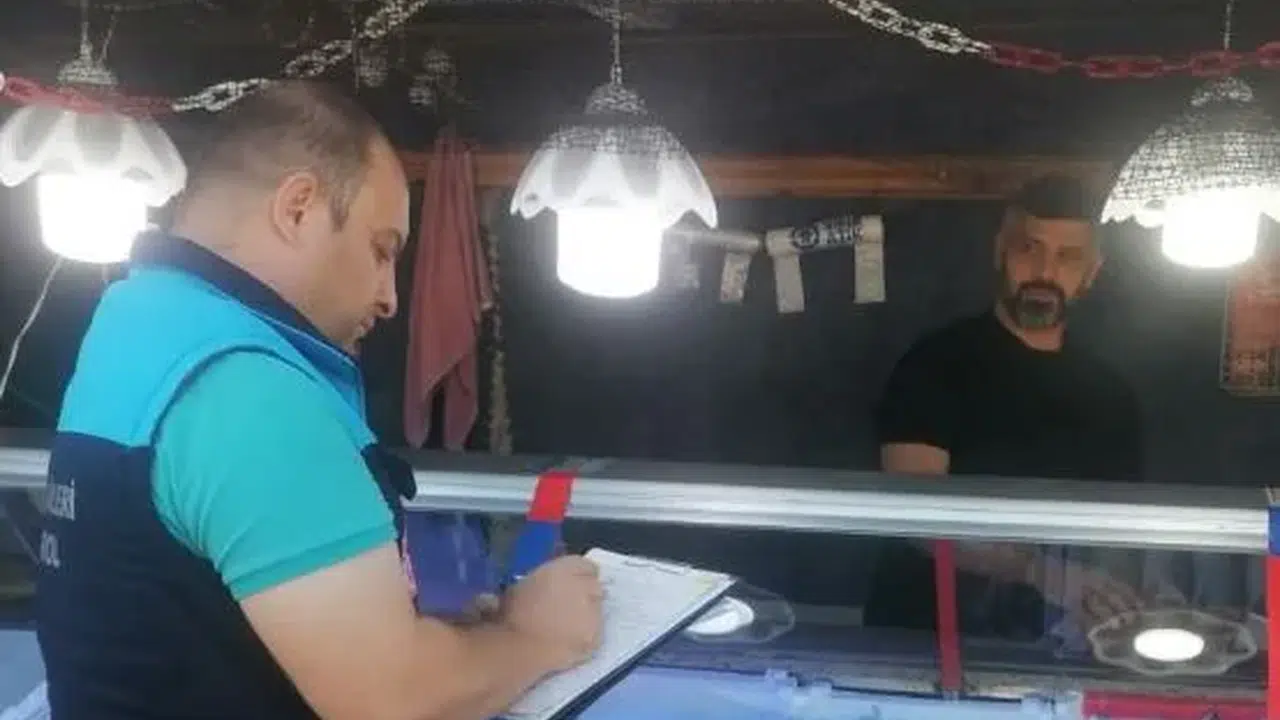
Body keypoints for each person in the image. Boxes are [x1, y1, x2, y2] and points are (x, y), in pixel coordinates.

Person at [37, 81, 603, 720]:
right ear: (299, 208)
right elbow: (392, 702)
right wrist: (534, 636)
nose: (390, 298)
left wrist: (454, 647)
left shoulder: (138, 324)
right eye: (381, 251)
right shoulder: (248, 392)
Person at [865, 174, 1145, 639]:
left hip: (1058, 644)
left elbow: (1123, 530)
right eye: (1028, 248)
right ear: (1000, 251)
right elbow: (916, 515)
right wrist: (1043, 572)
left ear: (1092, 272)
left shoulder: (1110, 393)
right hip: (925, 639)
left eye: (1068, 256)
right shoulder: (935, 363)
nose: (1044, 272)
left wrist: (1130, 595)